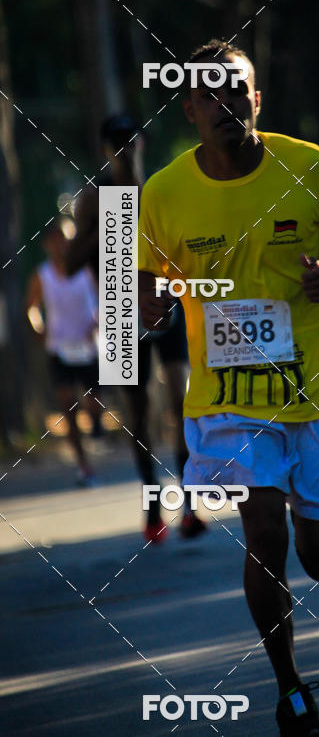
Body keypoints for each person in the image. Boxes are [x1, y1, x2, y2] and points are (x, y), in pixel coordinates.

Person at [138, 38, 319, 736]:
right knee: (262, 533)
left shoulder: (307, 164)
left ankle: (318, 515)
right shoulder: (165, 193)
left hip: (318, 388)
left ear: (256, 99)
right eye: (209, 95)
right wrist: (151, 306)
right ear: (190, 109)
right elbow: (145, 281)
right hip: (229, 399)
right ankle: (290, 690)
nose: (225, 104)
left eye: (236, 91)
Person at [65, 116, 206, 542]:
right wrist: (111, 226)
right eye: (118, 144)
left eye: (132, 141)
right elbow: (70, 264)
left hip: (165, 301)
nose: (127, 149)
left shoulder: (161, 189)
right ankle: (151, 506)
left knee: (180, 399)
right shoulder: (93, 198)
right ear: (105, 149)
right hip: (119, 311)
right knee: (139, 413)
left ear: (142, 142)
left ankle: (190, 505)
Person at [26, 222, 100, 486]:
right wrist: (39, 328)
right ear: (48, 245)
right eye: (55, 241)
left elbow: (103, 299)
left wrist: (97, 323)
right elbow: (32, 308)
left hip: (88, 346)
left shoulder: (87, 270)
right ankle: (84, 466)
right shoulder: (42, 275)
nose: (60, 245)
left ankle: (96, 421)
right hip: (59, 349)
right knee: (68, 407)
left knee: (93, 403)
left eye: (64, 240)